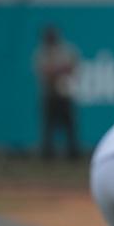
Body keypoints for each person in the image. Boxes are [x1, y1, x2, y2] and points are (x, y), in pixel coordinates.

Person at [33, 26, 80, 159]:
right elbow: (45, 71)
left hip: (65, 93)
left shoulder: (66, 50)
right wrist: (59, 69)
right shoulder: (42, 52)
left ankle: (73, 155)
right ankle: (47, 156)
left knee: (70, 127)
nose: (51, 40)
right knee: (48, 127)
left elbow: (73, 67)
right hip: (49, 95)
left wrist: (57, 70)